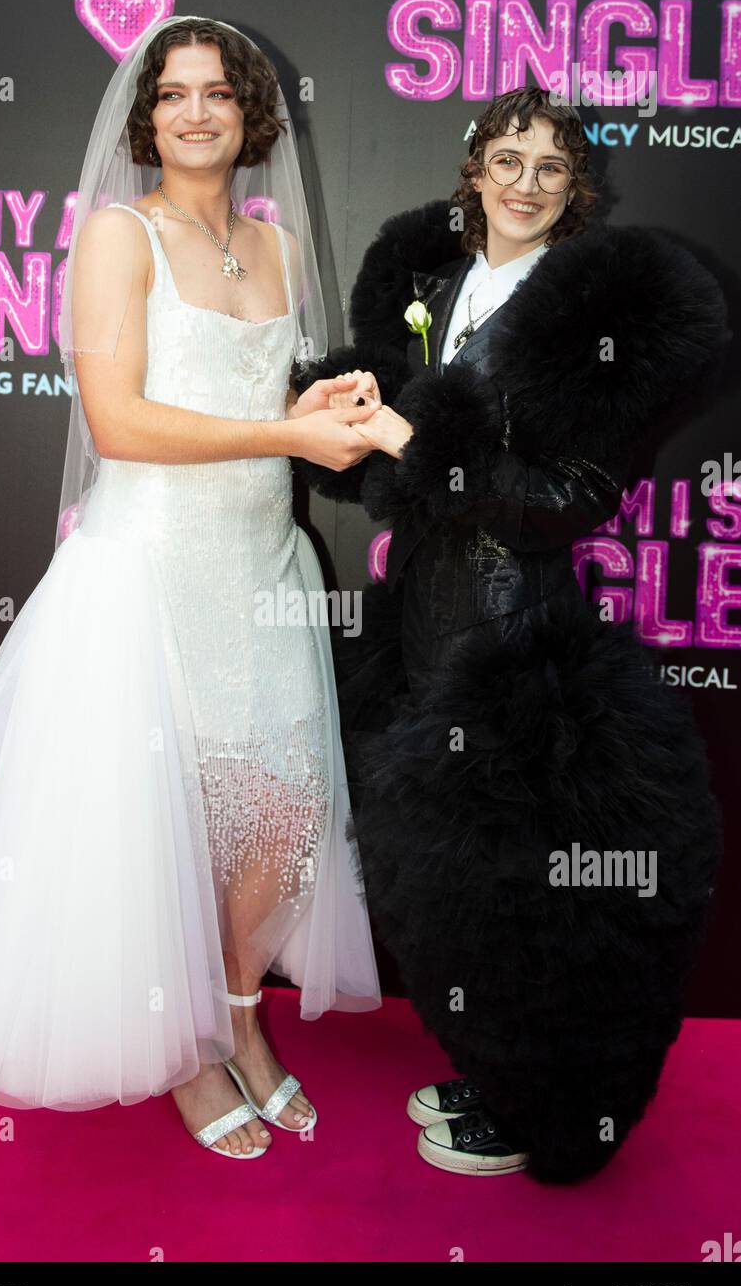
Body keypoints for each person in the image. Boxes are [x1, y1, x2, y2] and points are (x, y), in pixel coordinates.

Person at [0, 15, 382, 1159]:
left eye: (217, 93)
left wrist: (319, 420)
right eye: (174, 95)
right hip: (147, 573)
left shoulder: (280, 252)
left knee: (283, 825)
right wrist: (282, 435)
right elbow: (119, 423)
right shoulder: (119, 236)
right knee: (162, 829)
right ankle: (186, 1051)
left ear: (250, 116)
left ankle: (240, 1015)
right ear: (147, 120)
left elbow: (275, 411)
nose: (196, 111)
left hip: (264, 568)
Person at [291, 86, 729, 1181]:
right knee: (443, 889)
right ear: (473, 172)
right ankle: (495, 1071)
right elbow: (396, 481)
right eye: (508, 158)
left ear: (576, 187)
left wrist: (410, 431)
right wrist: (337, 421)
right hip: (418, 632)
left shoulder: (597, 318)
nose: (526, 183)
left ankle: (550, 1103)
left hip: (513, 635)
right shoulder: (433, 284)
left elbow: (568, 501)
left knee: (525, 897)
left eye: (551, 166)